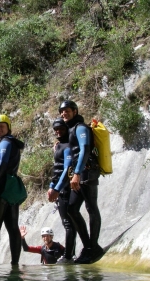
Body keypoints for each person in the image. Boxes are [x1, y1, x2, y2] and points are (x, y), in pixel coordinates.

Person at [59, 100, 103, 264]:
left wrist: (76, 173)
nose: (64, 113)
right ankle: (88, 247)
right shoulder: (72, 129)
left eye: (68, 111)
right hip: (80, 173)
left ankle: (94, 246)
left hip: (87, 171)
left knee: (91, 207)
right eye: (62, 111)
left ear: (75, 111)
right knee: (71, 209)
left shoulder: (81, 128)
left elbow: (84, 149)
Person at [0, 115, 25, 265]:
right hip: (11, 187)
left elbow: (1, 164)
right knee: (12, 226)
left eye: (1, 126)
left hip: (1, 186)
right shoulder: (12, 142)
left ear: (8, 127)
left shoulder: (5, 144)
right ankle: (15, 263)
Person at [47, 118, 76, 264]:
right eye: (56, 129)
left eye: (61, 129)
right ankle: (70, 254)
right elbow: (57, 169)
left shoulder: (68, 146)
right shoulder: (59, 146)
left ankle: (69, 256)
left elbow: (67, 169)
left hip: (66, 188)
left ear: (67, 129)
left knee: (69, 223)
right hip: (59, 187)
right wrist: (52, 185)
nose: (58, 131)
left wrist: (57, 188)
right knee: (67, 223)